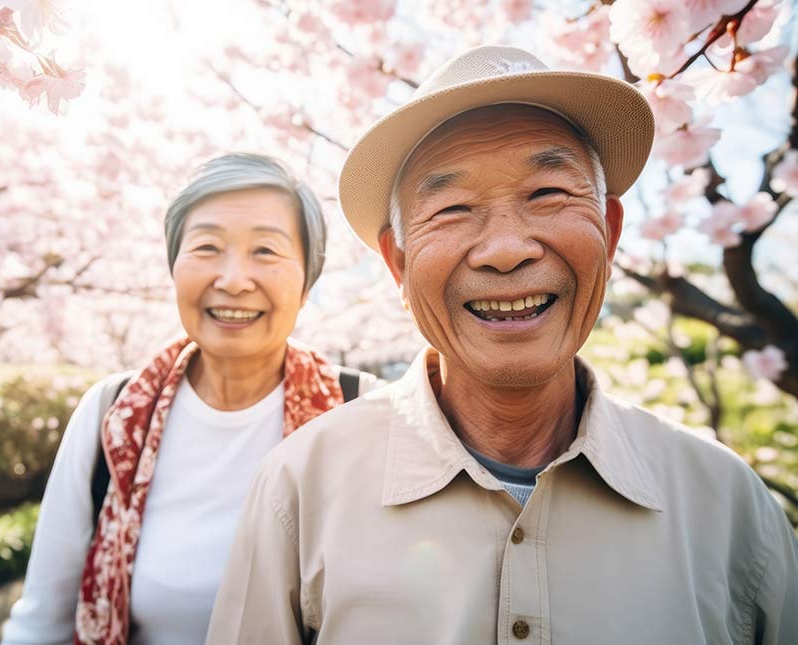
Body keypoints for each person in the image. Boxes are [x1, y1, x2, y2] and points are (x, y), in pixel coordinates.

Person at [206, 46, 798, 644]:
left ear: (611, 232)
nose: (506, 248)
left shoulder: (727, 503)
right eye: (453, 209)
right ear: (398, 264)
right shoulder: (300, 489)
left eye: (548, 194)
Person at [1, 153, 375, 645]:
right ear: (174, 267)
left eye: (266, 250)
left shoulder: (361, 411)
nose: (234, 280)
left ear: (308, 281)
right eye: (206, 247)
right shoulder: (113, 413)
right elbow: (41, 622)